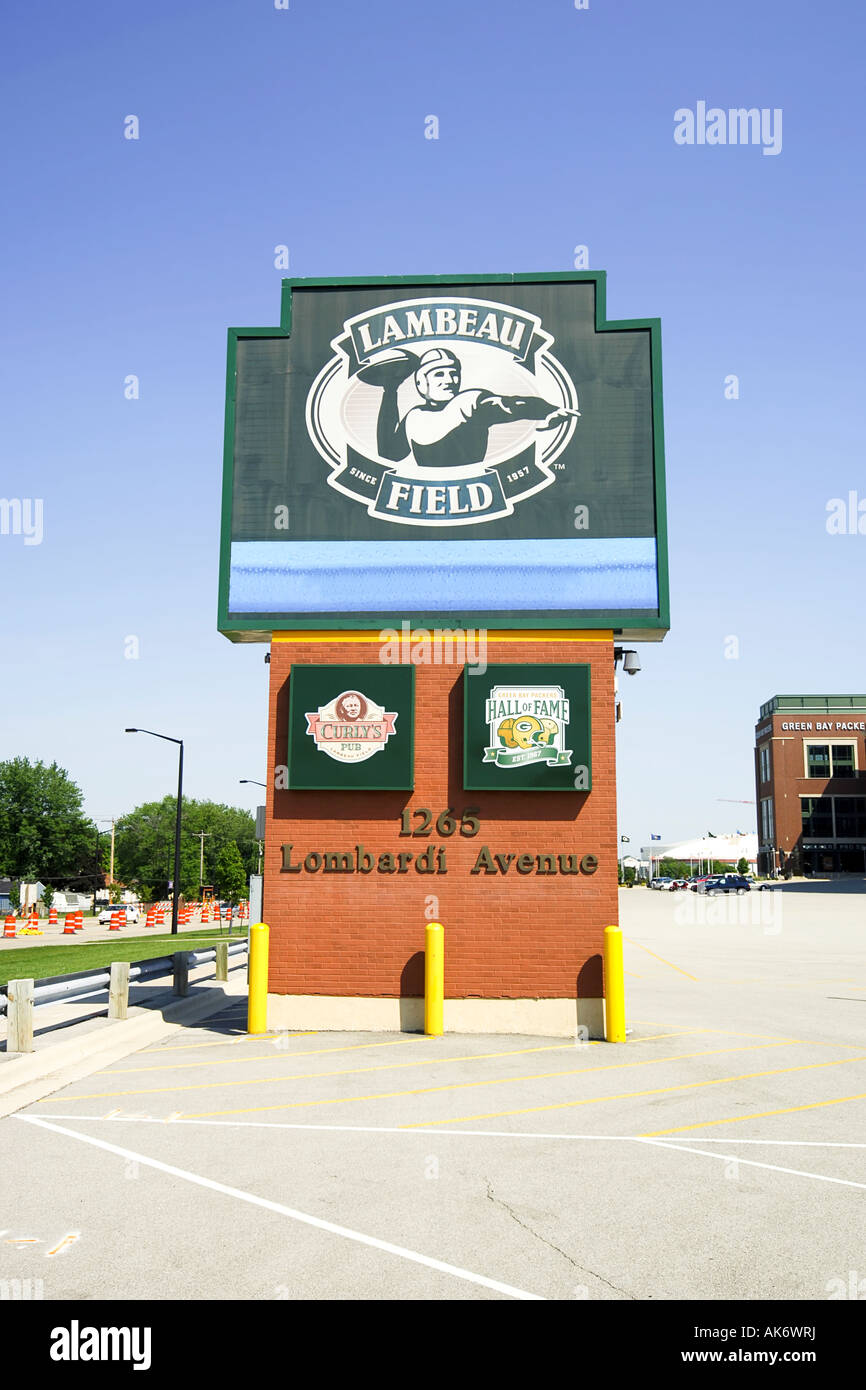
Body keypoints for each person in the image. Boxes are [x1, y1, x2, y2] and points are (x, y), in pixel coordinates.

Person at [374, 347, 578, 470]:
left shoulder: (469, 402)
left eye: (453, 373)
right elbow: (389, 454)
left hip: (473, 486)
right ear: (421, 382)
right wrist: (390, 390)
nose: (449, 380)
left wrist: (547, 410)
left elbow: (511, 405)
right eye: (438, 374)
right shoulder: (414, 417)